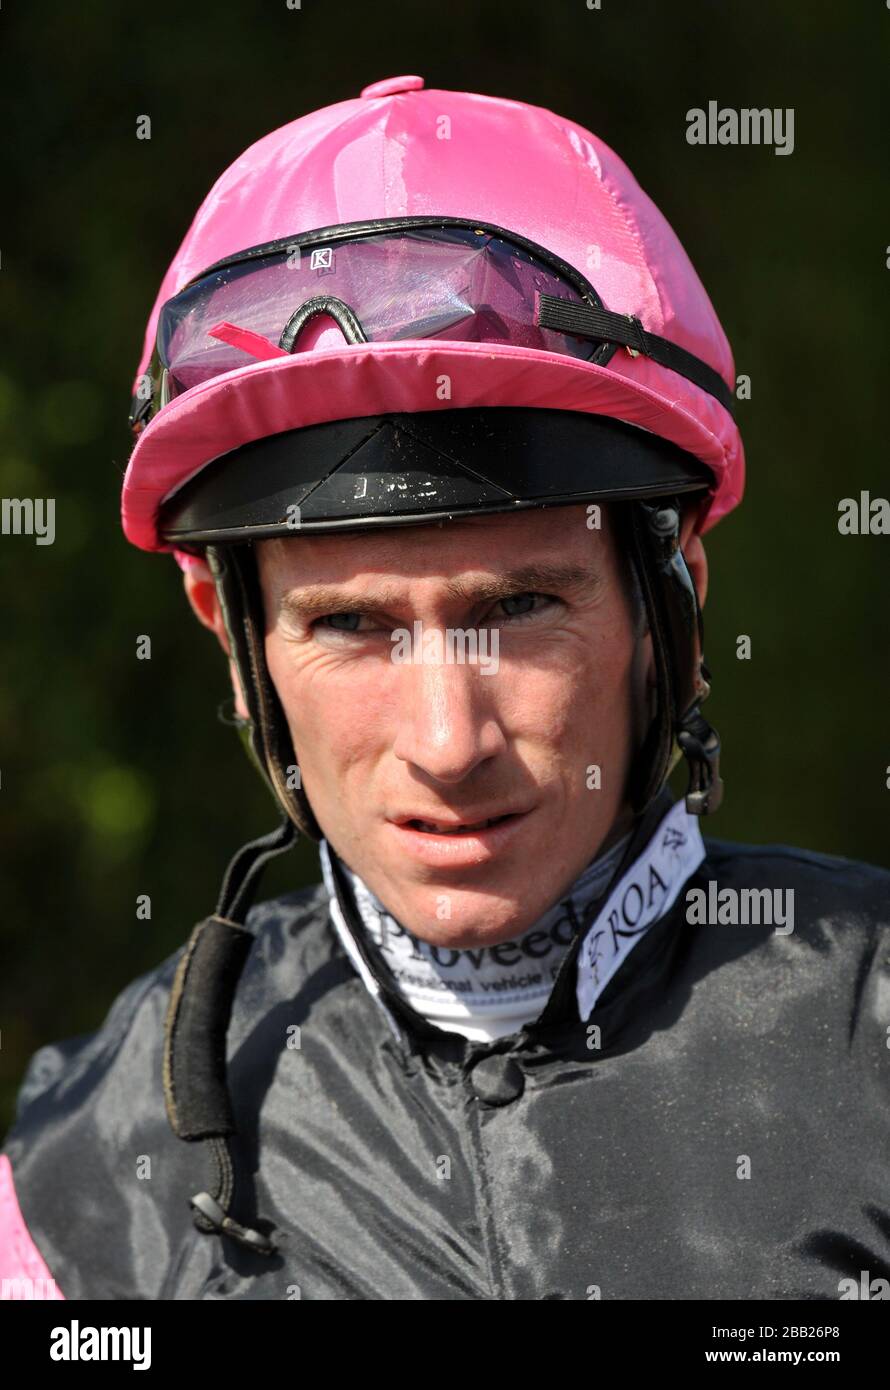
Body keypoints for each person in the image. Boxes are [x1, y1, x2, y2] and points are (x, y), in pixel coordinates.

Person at [2, 75, 888, 1303]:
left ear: (673, 598)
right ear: (229, 631)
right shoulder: (72, 1187)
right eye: (352, 625)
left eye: (519, 607)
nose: (445, 740)